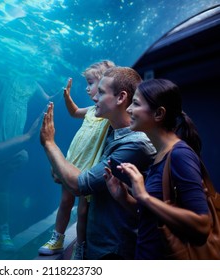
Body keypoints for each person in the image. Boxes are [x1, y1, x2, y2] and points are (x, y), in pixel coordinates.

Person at [40, 66, 156, 259]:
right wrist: (62, 167)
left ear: (121, 98)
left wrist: (50, 144)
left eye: (100, 92)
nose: (94, 98)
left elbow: (80, 185)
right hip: (100, 245)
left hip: (115, 251)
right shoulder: (109, 130)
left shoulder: (135, 144)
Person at [104, 79, 210, 259]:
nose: (129, 109)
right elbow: (152, 218)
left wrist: (143, 196)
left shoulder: (180, 155)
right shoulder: (160, 154)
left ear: (159, 113)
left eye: (136, 104)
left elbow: (202, 225)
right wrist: (124, 198)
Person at [38, 60, 115, 259]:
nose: (88, 88)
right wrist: (66, 97)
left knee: (83, 211)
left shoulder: (108, 114)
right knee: (64, 202)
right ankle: (57, 238)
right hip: (72, 162)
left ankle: (80, 247)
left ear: (105, 83)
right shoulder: (91, 110)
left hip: (88, 169)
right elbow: (73, 112)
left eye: (91, 83)